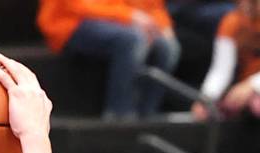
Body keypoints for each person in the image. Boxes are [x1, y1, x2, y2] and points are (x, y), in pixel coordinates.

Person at [36, 0, 180, 118]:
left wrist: (162, 25)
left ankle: (147, 116)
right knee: (133, 40)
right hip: (71, 20)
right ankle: (119, 114)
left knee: (168, 47)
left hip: (122, 21)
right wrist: (130, 16)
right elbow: (80, 5)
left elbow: (151, 6)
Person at [195, 0, 260, 118]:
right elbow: (221, 70)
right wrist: (206, 98)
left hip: (253, 89)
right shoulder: (232, 21)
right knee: (224, 108)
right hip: (246, 95)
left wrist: (253, 85)